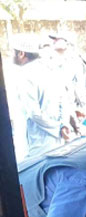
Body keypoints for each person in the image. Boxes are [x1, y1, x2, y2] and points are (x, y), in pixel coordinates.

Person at [4, 34, 41, 162]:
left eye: (12, 52)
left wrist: (55, 128)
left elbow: (33, 113)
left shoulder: (26, 75)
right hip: (34, 139)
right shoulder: (41, 71)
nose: (10, 55)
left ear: (21, 54)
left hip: (32, 142)